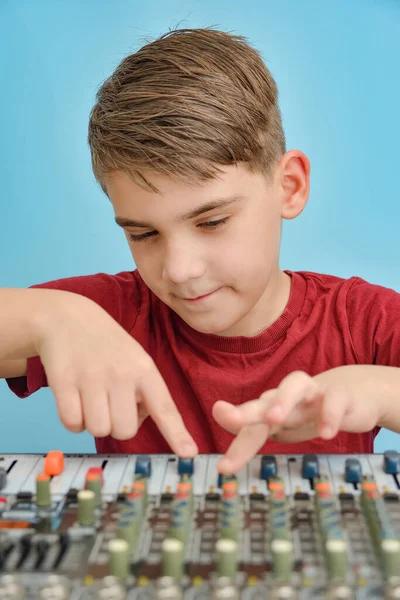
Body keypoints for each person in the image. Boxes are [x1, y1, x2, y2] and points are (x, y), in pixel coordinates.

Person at [1, 28, 400, 475]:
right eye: (143, 234)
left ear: (289, 187)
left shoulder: (361, 320)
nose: (179, 270)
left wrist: (382, 390)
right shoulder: (106, 315)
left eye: (212, 222)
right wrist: (48, 318)